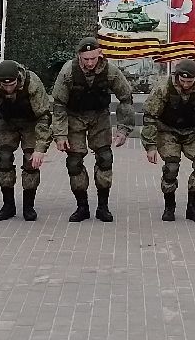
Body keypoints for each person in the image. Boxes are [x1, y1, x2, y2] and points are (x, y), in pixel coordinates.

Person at [51, 38, 136, 222]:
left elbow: (126, 97)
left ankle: (103, 207)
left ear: (100, 54)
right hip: (74, 117)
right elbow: (58, 105)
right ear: (79, 56)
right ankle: (82, 207)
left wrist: (123, 129)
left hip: (99, 117)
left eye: (93, 58)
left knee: (105, 158)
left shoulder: (110, 71)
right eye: (85, 59)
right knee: (74, 162)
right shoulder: (68, 71)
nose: (90, 63)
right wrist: (60, 135)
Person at [0, 60, 52, 222]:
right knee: (5, 159)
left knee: (31, 161)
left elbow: (44, 116)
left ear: (18, 79)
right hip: (6, 122)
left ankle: (28, 206)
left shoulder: (32, 82)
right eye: (4, 85)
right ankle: (8, 205)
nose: (8, 89)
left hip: (31, 123)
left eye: (12, 84)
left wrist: (40, 148)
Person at [142, 59, 195, 223]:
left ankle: (192, 207)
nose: (186, 84)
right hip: (167, 130)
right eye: (183, 80)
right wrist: (150, 146)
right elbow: (150, 116)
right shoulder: (164, 86)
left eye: (190, 81)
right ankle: (169, 206)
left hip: (193, 132)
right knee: (171, 167)